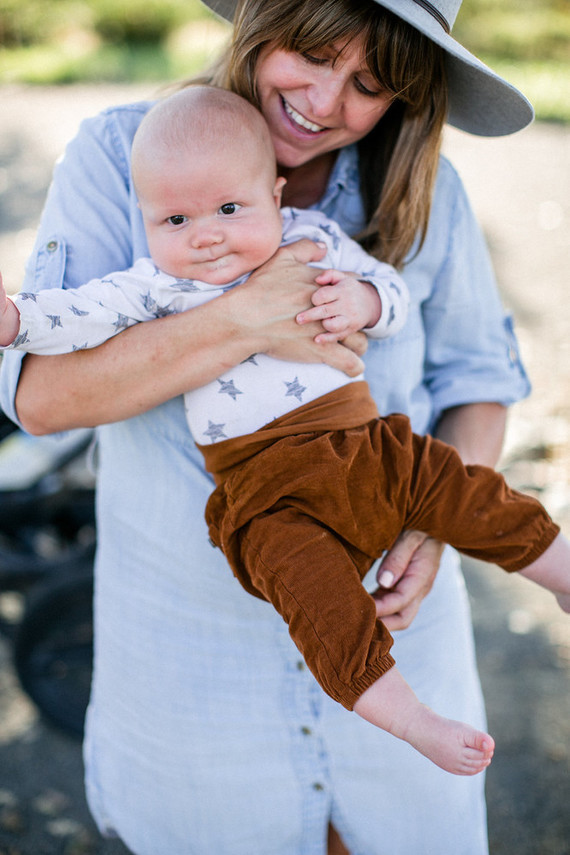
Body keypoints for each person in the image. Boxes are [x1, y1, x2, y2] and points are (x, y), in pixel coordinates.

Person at [0, 0, 541, 852]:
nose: (325, 102)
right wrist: (250, 318)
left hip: (404, 649)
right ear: (261, 18)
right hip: (194, 664)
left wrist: (433, 529)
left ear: (407, 94)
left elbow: (476, 379)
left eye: (368, 83)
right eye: (313, 53)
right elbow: (40, 397)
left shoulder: (427, 194)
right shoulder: (119, 155)